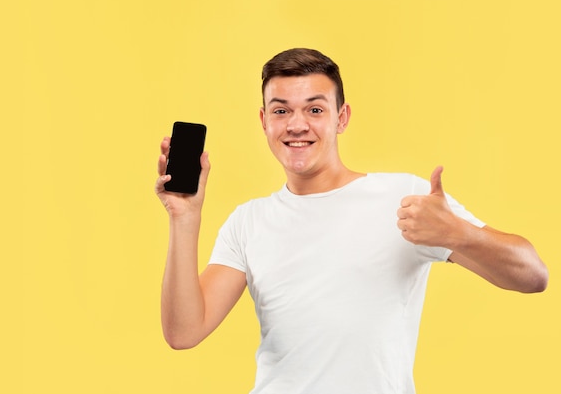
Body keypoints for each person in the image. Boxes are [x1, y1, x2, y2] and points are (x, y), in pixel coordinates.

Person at [155, 48, 548, 393]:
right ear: (264, 121)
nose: (296, 125)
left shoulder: (403, 199)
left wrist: (459, 233)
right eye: (281, 110)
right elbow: (184, 332)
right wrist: (184, 219)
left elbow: (533, 276)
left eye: (314, 109)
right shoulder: (248, 222)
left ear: (341, 118)